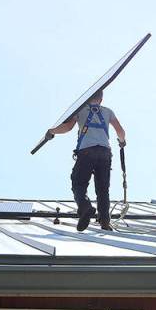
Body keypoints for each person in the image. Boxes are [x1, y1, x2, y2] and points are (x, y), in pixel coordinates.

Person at [45, 89, 126, 231]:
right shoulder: (108, 112)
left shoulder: (80, 110)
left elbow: (67, 127)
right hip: (105, 153)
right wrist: (122, 141)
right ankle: (105, 221)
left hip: (87, 152)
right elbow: (120, 131)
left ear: (88, 98)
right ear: (101, 100)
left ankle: (85, 207)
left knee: (79, 183)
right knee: (103, 189)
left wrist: (51, 131)